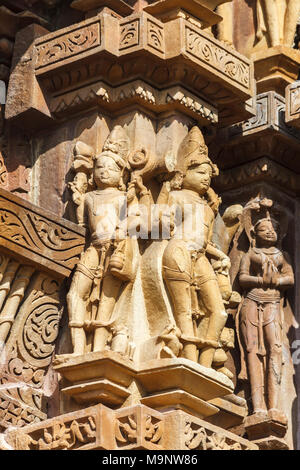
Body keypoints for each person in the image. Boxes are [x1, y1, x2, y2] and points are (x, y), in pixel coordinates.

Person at [161, 126, 230, 368]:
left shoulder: (206, 208)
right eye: (200, 172)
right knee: (185, 311)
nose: (205, 178)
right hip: (178, 252)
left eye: (208, 175)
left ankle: (205, 363)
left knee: (218, 313)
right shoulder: (177, 197)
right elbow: (161, 226)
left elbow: (206, 241)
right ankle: (190, 362)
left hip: (199, 257)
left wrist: (220, 255)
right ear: (184, 173)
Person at [238, 208, 294, 413]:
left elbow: (290, 279)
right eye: (264, 229)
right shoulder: (251, 254)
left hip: (272, 304)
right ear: (253, 234)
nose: (270, 232)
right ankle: (258, 407)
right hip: (251, 303)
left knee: (275, 348)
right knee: (252, 349)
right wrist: (262, 280)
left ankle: (274, 406)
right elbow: (243, 278)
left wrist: (276, 280)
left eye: (274, 229)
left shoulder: (282, 255)